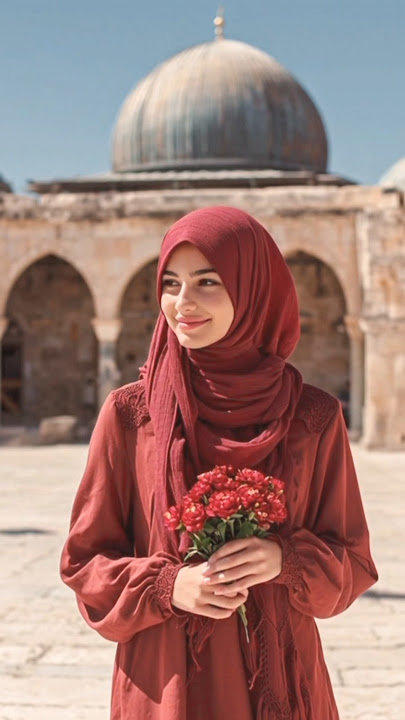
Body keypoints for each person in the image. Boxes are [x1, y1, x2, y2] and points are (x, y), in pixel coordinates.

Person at [60, 206, 378, 720]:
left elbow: (354, 562)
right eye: (170, 283)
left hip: (280, 679)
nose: (183, 303)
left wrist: (284, 560)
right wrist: (168, 587)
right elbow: (84, 561)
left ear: (253, 288)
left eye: (207, 282)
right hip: (165, 684)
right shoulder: (130, 414)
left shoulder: (312, 417)